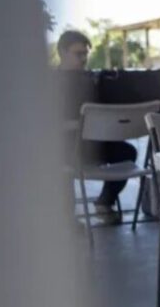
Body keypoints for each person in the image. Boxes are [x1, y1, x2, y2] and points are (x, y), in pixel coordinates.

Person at [58, 29, 137, 223]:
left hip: (96, 144)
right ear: (62, 52)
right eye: (79, 54)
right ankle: (66, 218)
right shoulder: (50, 83)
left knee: (127, 152)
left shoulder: (93, 80)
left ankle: (105, 202)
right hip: (67, 147)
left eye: (86, 54)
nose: (84, 58)